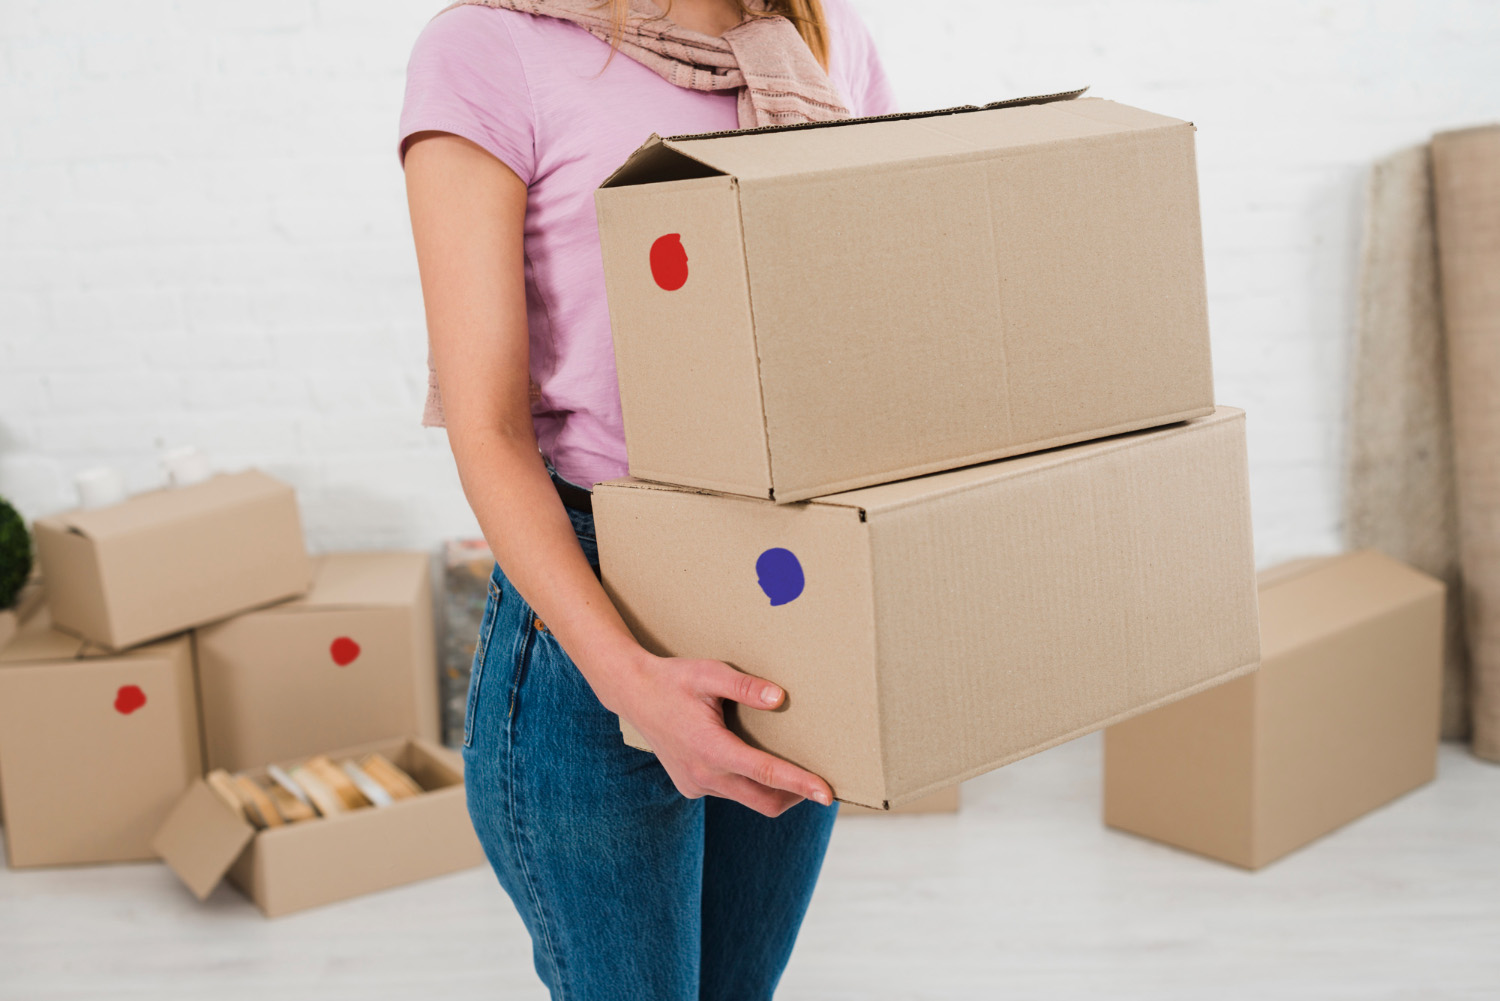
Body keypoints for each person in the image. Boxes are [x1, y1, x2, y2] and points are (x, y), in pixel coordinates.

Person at [398, 1, 896, 996]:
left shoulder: (823, 30)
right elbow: (488, 427)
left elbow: (877, 303)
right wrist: (630, 679)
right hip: (591, 615)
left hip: (787, 598)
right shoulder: (490, 49)